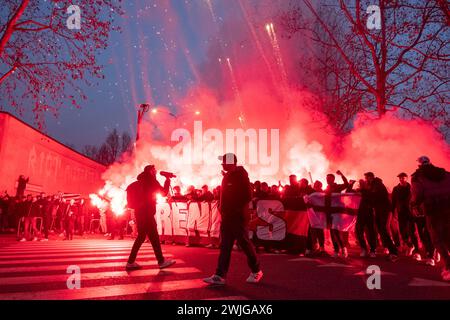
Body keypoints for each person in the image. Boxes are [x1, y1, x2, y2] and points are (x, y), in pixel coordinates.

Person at [203, 153, 262, 285]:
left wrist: (235, 210)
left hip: (237, 217)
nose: (222, 164)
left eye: (224, 161)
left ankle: (256, 270)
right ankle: (219, 275)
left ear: (230, 162)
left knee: (245, 244)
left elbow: (247, 195)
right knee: (225, 246)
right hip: (228, 217)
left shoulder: (240, 176)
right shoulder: (228, 176)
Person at [125, 165, 176, 270]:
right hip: (147, 213)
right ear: (150, 171)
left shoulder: (139, 183)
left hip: (140, 212)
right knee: (153, 237)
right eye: (154, 170)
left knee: (142, 237)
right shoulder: (151, 181)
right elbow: (164, 193)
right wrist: (167, 180)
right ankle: (161, 261)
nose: (156, 172)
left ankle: (130, 262)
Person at [411, 156, 450, 281]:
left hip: (433, 211)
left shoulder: (417, 177)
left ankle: (448, 267)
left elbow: (417, 195)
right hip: (448, 209)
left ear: (419, 165)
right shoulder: (445, 173)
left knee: (437, 239)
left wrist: (414, 206)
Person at [365, 172, 399, 261]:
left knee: (384, 230)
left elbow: (375, 196)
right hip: (379, 210)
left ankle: (393, 252)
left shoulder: (377, 184)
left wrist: (365, 192)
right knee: (381, 230)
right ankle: (392, 250)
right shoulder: (374, 185)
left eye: (366, 178)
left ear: (370, 177)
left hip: (384, 210)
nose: (366, 180)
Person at [392, 173, 418, 257]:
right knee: (402, 231)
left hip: (410, 213)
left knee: (412, 231)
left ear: (406, 178)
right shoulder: (396, 189)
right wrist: (393, 212)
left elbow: (416, 199)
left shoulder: (411, 188)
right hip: (401, 212)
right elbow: (393, 201)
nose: (401, 179)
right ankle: (410, 245)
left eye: (403, 178)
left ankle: (416, 250)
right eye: (400, 178)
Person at [325, 170, 350, 258]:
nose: (327, 180)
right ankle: (336, 250)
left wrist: (342, 175)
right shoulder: (326, 189)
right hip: (329, 212)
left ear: (333, 179)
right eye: (326, 179)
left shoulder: (338, 187)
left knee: (336, 231)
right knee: (332, 231)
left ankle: (343, 248)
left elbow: (346, 184)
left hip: (336, 212)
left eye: (329, 179)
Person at [355, 179, 377, 258]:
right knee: (359, 232)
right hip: (360, 215)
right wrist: (351, 184)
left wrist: (363, 191)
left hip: (368, 214)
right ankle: (364, 248)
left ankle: (372, 250)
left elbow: (372, 201)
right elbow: (348, 192)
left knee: (371, 233)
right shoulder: (358, 191)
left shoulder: (370, 192)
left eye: (362, 183)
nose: (361, 185)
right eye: (360, 183)